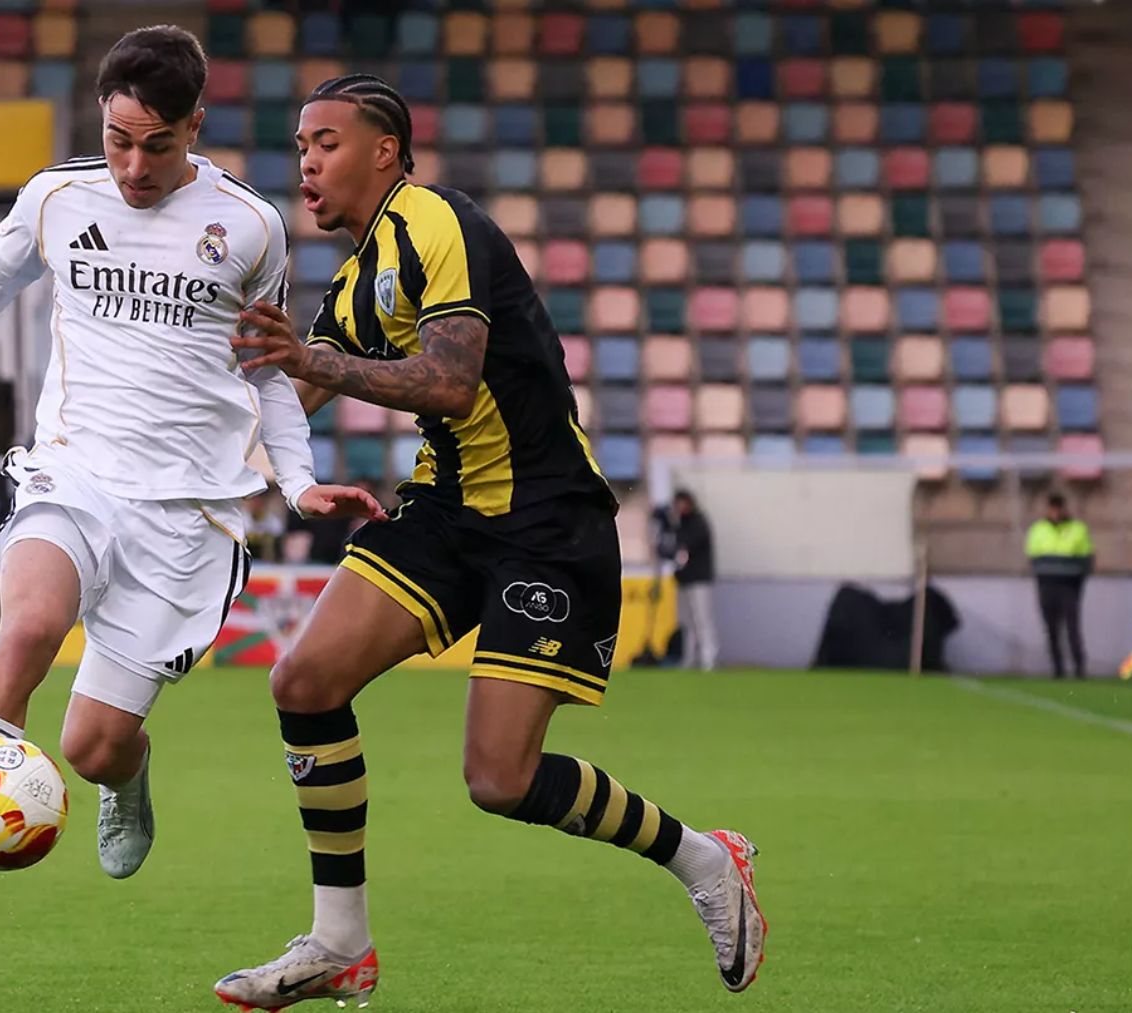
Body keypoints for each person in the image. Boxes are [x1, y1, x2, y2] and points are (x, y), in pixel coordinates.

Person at [213, 75, 767, 1010]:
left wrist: (309, 362)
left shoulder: (436, 222)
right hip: (447, 509)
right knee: (302, 681)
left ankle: (704, 858)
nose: (304, 161)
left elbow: (452, 383)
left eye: (326, 141)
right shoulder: (353, 282)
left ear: (385, 151)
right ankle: (338, 942)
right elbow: (277, 405)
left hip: (548, 521)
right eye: (300, 144)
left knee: (499, 780)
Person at [0, 26, 383, 945]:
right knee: (27, 628)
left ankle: (127, 777)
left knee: (93, 745)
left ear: (195, 127)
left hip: (186, 513)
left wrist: (298, 484)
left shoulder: (250, 228)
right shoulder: (58, 199)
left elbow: (267, 373)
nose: (134, 165)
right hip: (74, 471)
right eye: (117, 139)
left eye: (157, 144)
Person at [1026, 492, 1093, 678]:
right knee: (1052, 628)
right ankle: (1058, 668)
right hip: (1047, 585)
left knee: (1072, 627)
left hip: (1069, 586)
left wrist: (1078, 579)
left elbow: (1086, 557)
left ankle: (1079, 667)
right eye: (1052, 508)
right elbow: (1033, 556)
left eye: (1058, 508)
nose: (1055, 512)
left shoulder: (1078, 528)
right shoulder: (1038, 529)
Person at [671, 489, 718, 671]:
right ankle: (689, 657)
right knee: (687, 621)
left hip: (699, 579)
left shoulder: (698, 523)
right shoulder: (680, 525)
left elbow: (687, 548)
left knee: (702, 619)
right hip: (684, 580)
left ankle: (708, 657)